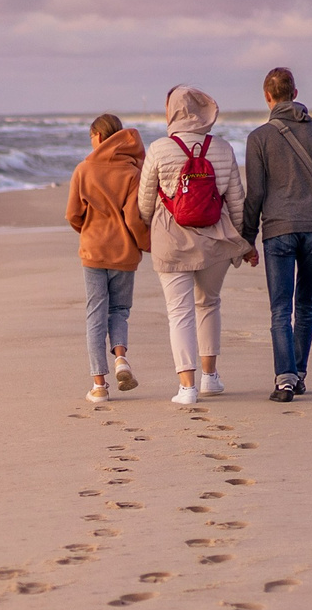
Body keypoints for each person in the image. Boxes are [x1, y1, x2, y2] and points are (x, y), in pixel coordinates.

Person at [137, 85, 255, 407]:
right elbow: (236, 201)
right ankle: (210, 377)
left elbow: (145, 203)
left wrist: (148, 229)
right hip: (215, 241)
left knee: (179, 313)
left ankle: (186, 388)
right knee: (209, 303)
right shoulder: (223, 148)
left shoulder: (160, 149)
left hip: (171, 240)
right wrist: (243, 242)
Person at [241, 66, 312, 402]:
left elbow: (254, 194)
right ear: (295, 94)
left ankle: (285, 379)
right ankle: (299, 373)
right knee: (307, 304)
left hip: (279, 231)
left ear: (267, 97)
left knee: (280, 309)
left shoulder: (258, 138)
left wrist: (247, 237)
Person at [66, 113, 150, 403]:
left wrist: (88, 230)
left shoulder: (84, 169)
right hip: (124, 252)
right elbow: (133, 216)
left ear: (99, 137)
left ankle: (99, 385)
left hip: (93, 250)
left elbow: (72, 215)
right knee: (119, 311)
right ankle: (121, 359)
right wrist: (145, 244)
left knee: (95, 315)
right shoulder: (131, 172)